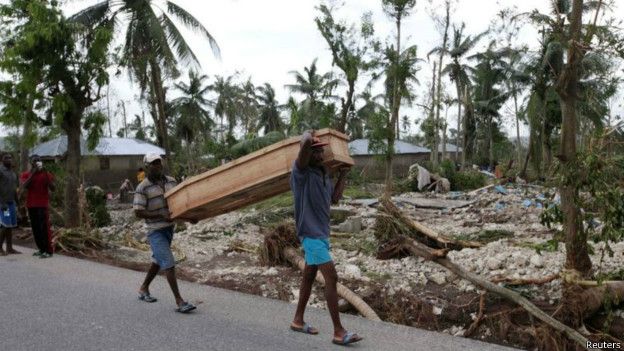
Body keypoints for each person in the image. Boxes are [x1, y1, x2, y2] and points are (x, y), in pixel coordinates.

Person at [289, 131, 363, 346]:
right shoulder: (300, 173)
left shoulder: (323, 174)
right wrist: (306, 137)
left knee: (309, 277)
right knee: (331, 278)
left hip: (322, 234)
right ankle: (339, 332)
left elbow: (335, 198)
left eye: (322, 150)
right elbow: (303, 145)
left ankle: (297, 320)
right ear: (308, 154)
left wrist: (342, 175)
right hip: (310, 234)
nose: (321, 153)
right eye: (317, 150)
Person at [134, 153, 197, 313]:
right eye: (154, 164)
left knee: (157, 261)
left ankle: (143, 288)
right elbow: (138, 212)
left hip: (169, 229)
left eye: (159, 163)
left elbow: (178, 204)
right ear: (147, 167)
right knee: (168, 263)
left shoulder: (171, 181)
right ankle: (180, 301)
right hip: (155, 231)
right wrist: (159, 215)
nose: (157, 166)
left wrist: (190, 217)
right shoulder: (142, 187)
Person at [20, 155, 55, 258]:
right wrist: (33, 173)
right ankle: (41, 249)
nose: (37, 162)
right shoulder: (26, 174)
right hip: (31, 205)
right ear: (31, 163)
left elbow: (53, 188)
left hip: (42, 205)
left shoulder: (46, 174)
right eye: (35, 161)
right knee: (35, 228)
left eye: (38, 161)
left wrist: (45, 173)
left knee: (44, 228)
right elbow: (24, 186)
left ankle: (48, 251)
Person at [0, 153, 20, 255]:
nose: (9, 159)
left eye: (10, 158)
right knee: (5, 225)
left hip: (11, 203)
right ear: (2, 160)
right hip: (4, 204)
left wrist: (18, 203)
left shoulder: (13, 173)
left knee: (10, 225)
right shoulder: (0, 171)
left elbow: (14, 190)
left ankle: (9, 248)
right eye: (6, 158)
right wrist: (1, 203)